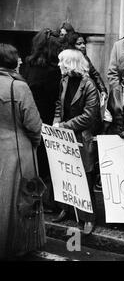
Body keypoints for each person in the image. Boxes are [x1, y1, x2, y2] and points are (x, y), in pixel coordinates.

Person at [0, 44, 45, 259]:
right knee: (24, 198)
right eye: (17, 58)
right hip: (19, 150)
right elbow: (34, 125)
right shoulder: (19, 87)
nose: (20, 61)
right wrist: (35, 143)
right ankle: (19, 244)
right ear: (10, 61)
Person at [51, 49, 101, 235]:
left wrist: (63, 126)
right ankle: (67, 209)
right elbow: (59, 104)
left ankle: (88, 217)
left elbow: (89, 117)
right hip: (65, 136)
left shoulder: (89, 85)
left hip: (82, 138)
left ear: (71, 63)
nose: (58, 65)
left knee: (85, 178)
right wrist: (57, 121)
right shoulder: (64, 81)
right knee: (66, 174)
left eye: (61, 61)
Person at [20, 28, 63, 212]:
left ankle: (29, 199)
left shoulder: (27, 66)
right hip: (46, 121)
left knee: (31, 162)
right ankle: (45, 201)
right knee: (45, 162)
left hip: (26, 119)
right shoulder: (55, 71)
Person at [67, 32, 108, 106]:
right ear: (72, 45)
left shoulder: (85, 59)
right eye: (79, 44)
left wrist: (102, 90)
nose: (83, 46)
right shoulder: (65, 60)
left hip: (83, 96)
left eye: (83, 43)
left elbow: (95, 75)